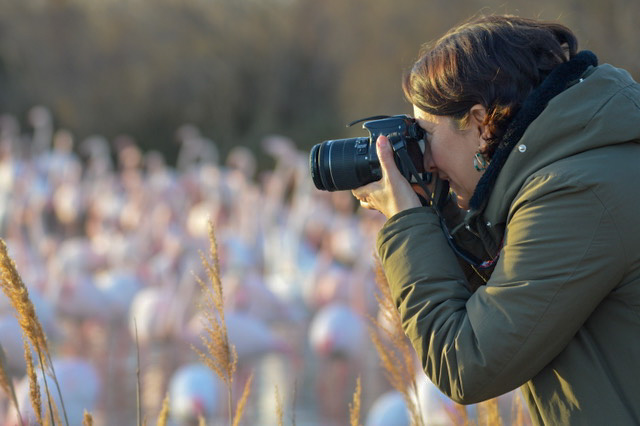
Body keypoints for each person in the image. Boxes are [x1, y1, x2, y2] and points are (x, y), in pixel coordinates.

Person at [351, 15, 640, 425]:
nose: (426, 158)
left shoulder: (576, 193)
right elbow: (492, 301)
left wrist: (406, 223)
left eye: (426, 135)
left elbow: (465, 363)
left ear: (479, 120)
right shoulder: (584, 164)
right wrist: (435, 204)